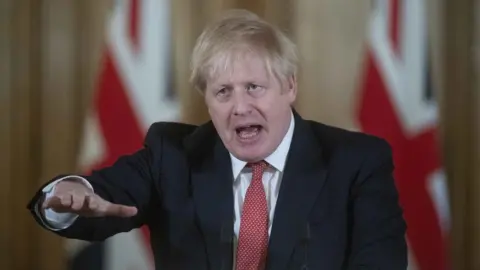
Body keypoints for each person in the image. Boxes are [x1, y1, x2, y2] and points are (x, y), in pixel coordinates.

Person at [27, 9, 407, 270]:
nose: (240, 106)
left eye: (254, 87)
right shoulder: (172, 154)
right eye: (223, 92)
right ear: (206, 100)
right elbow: (100, 196)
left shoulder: (356, 161)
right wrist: (71, 193)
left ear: (290, 86)